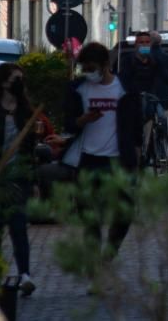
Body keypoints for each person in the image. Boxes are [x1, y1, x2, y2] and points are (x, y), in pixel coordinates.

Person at [60, 42, 143, 255]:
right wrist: (83, 119)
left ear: (106, 65)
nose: (88, 73)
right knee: (89, 215)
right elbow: (68, 123)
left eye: (92, 68)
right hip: (86, 159)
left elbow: (136, 124)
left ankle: (109, 253)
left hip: (118, 159)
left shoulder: (125, 88)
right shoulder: (78, 89)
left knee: (124, 212)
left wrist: (137, 155)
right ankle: (95, 261)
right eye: (85, 68)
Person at [0, 63, 37, 296]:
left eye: (21, 78)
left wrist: (32, 179)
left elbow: (30, 147)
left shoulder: (25, 110)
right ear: (3, 82)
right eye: (15, 78)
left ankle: (25, 274)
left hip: (18, 176)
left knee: (18, 224)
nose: (18, 82)